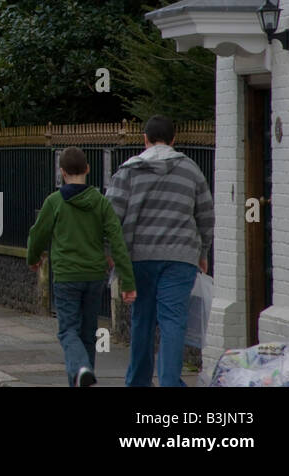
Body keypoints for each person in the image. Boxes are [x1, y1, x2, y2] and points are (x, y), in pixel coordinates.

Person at [107, 115, 214, 387]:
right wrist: (203, 251)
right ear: (174, 139)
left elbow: (111, 216)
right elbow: (205, 215)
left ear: (144, 139)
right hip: (180, 259)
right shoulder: (191, 170)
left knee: (142, 319)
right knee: (172, 322)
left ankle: (138, 382)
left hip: (139, 258)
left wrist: (110, 253)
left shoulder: (128, 171)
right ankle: (169, 382)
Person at [27, 146, 137, 387]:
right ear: (88, 169)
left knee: (68, 332)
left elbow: (38, 235)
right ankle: (83, 377)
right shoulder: (100, 203)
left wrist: (33, 258)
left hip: (67, 277)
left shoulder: (54, 202)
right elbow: (117, 241)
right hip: (95, 276)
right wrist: (127, 282)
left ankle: (81, 369)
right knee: (88, 334)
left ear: (62, 171)